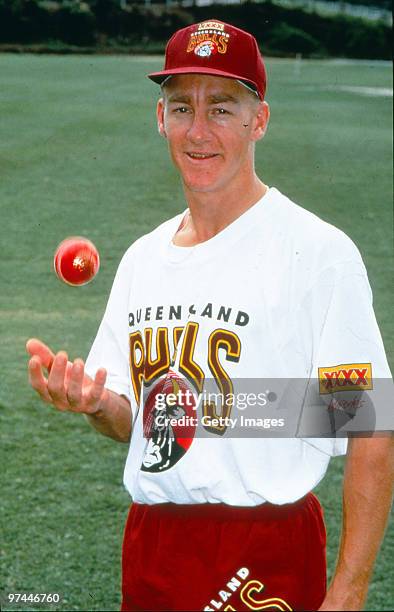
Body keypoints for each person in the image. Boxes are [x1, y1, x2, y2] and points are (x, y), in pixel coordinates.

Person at [27, 19, 393, 612]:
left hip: (266, 550)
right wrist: (97, 404)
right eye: (181, 107)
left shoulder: (317, 253)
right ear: (160, 118)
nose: (198, 130)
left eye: (222, 108)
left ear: (260, 121)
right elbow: (134, 423)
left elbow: (368, 430)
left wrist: (348, 591)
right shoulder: (144, 259)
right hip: (152, 548)